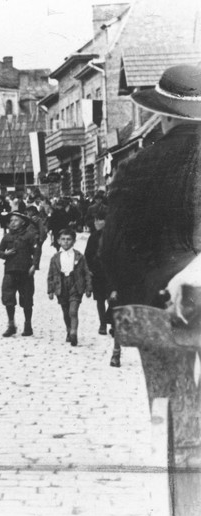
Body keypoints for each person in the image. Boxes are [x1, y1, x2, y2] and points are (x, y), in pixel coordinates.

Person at [102, 64, 201, 368]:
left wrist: (133, 292)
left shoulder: (134, 167)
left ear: (166, 115)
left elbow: (112, 250)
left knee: (172, 406)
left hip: (163, 312)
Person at [0, 211, 41, 337]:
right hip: (10, 271)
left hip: (25, 271)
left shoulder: (30, 235)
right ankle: (11, 325)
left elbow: (36, 251)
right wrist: (5, 254)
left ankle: (28, 325)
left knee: (27, 298)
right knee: (8, 298)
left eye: (15, 220)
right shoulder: (7, 237)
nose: (12, 223)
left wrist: (34, 265)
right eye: (11, 221)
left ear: (23, 222)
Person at [48, 228, 92, 347]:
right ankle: (68, 329)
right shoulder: (55, 257)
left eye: (69, 239)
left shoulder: (79, 256)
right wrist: (50, 290)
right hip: (61, 285)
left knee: (73, 311)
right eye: (63, 239)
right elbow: (51, 274)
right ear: (58, 241)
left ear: (73, 241)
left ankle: (74, 332)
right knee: (65, 311)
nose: (66, 242)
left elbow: (86, 272)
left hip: (75, 285)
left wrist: (88, 288)